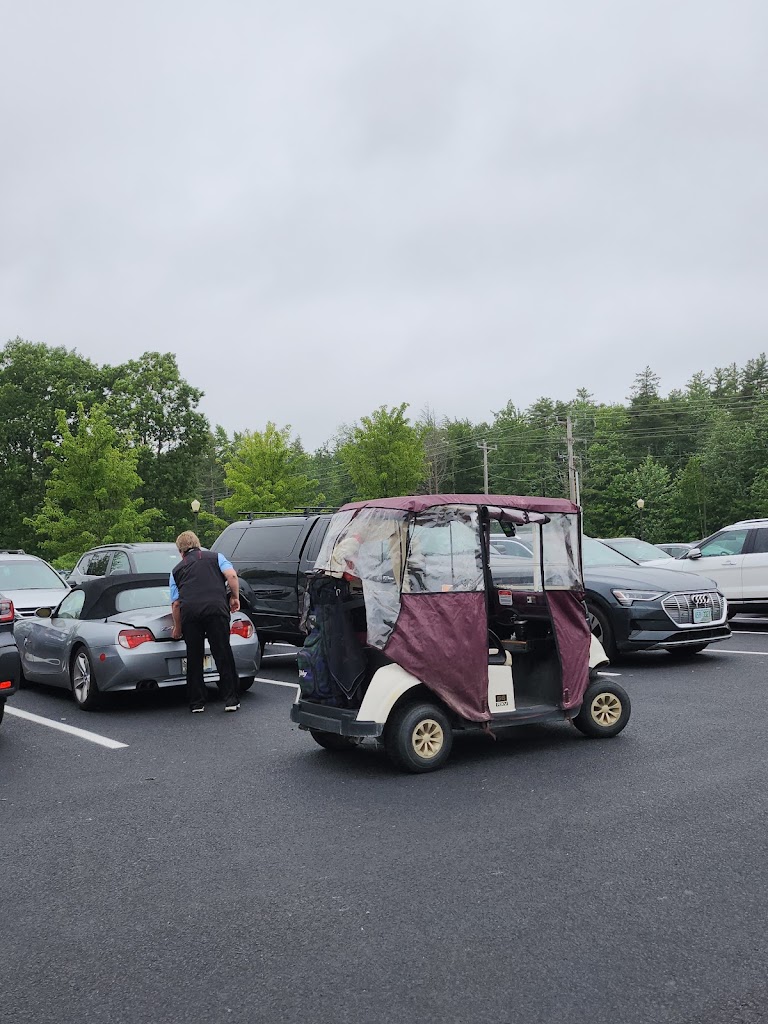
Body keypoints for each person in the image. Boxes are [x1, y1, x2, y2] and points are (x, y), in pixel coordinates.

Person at [170, 530, 242, 713]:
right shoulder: (216, 557)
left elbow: (176, 603)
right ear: (198, 544)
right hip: (216, 610)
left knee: (194, 656)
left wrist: (177, 628)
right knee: (222, 653)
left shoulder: (176, 570)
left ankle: (197, 702)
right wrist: (235, 597)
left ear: (180, 551)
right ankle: (231, 699)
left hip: (190, 614)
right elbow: (232, 576)